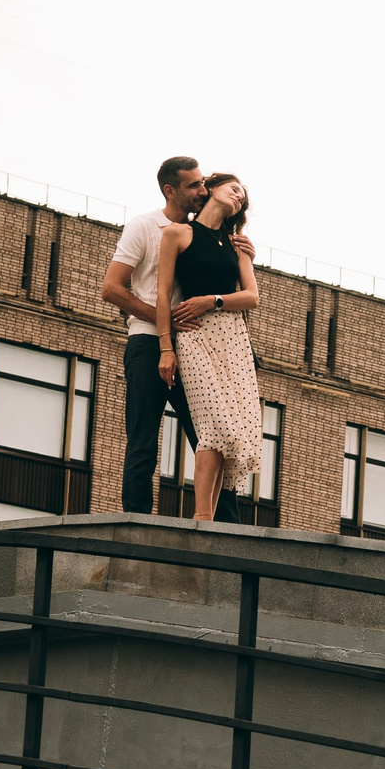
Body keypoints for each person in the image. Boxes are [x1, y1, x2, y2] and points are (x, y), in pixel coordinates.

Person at [101, 155, 251, 519]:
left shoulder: (204, 233)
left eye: (203, 183)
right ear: (170, 190)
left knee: (213, 433)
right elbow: (111, 288)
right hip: (148, 341)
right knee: (143, 441)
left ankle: (226, 524)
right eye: (193, 185)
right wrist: (166, 322)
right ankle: (136, 521)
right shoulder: (145, 226)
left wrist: (243, 253)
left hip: (194, 346)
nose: (202, 190)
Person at [155, 173, 260, 521]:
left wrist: (211, 300)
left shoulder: (237, 244)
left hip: (233, 339)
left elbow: (252, 297)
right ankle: (201, 518)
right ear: (212, 188)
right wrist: (166, 348)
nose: (238, 197)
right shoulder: (177, 233)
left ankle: (207, 520)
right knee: (214, 426)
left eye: (242, 197)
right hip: (194, 336)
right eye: (234, 189)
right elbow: (162, 295)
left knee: (231, 432)